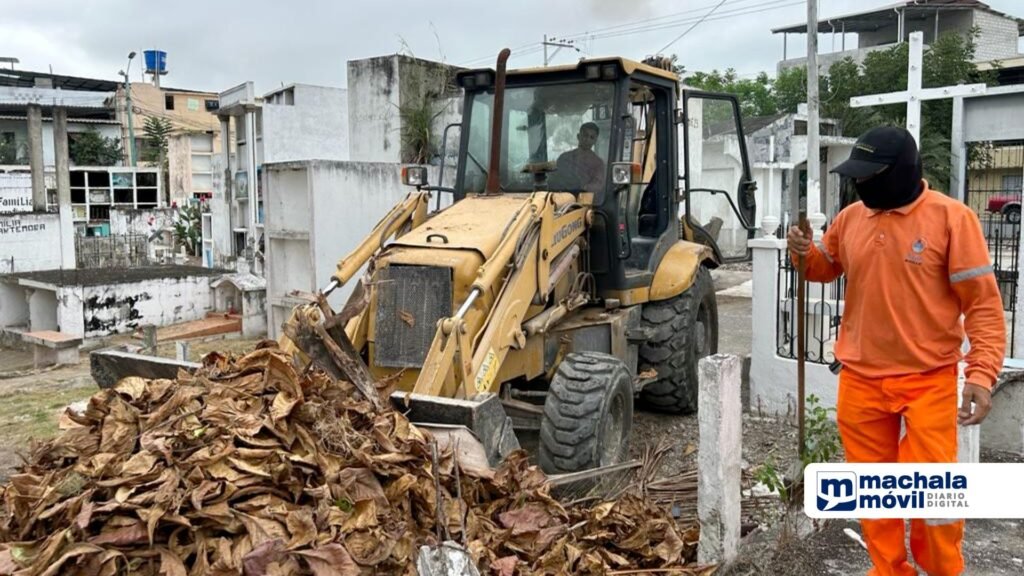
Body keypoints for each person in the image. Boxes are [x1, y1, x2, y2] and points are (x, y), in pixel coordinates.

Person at [788, 126, 1006, 576]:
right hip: (860, 379)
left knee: (934, 497)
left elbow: (983, 306)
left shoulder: (952, 219)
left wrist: (981, 374)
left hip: (929, 380)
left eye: (869, 176)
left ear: (901, 172)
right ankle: (888, 570)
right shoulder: (851, 218)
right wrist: (802, 252)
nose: (860, 185)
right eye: (857, 177)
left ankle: (942, 571)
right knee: (873, 494)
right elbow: (823, 268)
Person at [555, 122, 605, 192]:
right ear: (578, 136)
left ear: (595, 141)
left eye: (592, 137)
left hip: (586, 197)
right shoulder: (564, 158)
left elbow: (598, 185)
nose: (588, 139)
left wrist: (583, 188)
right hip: (562, 196)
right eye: (585, 135)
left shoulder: (598, 163)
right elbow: (555, 179)